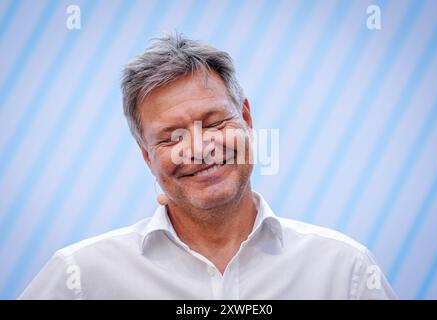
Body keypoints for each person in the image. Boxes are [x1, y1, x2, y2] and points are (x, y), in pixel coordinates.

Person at [20, 34, 396, 299]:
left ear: (246, 117)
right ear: (147, 155)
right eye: (172, 137)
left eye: (215, 122)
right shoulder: (81, 278)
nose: (199, 148)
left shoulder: (343, 269)